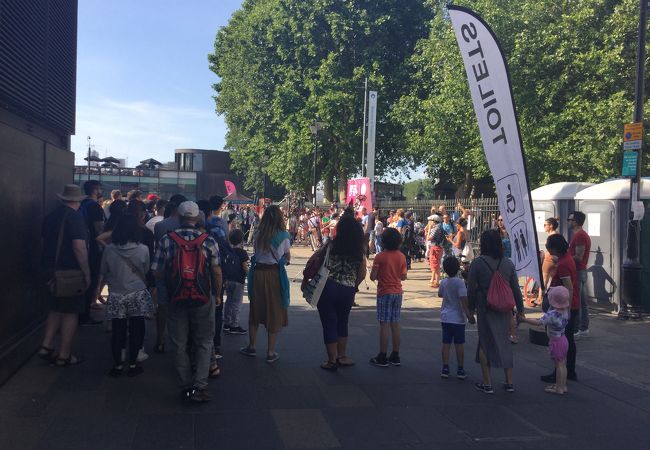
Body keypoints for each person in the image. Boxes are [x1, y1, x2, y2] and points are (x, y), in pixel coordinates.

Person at [151, 201, 222, 403]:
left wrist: (173, 278)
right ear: (197, 218)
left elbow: (156, 270)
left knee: (179, 343)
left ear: (179, 217)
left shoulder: (167, 239)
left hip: (176, 298)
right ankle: (200, 386)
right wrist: (217, 294)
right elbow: (216, 271)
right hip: (202, 297)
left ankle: (185, 385)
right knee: (204, 341)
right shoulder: (208, 240)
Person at [467, 229, 525, 394]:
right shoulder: (508, 263)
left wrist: (470, 310)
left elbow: (471, 288)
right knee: (504, 341)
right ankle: (509, 381)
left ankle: (487, 383)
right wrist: (520, 310)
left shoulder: (478, 263)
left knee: (485, 343)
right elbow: (515, 289)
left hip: (485, 306)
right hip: (505, 308)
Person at [38, 185, 90, 366]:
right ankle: (64, 355)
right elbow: (79, 247)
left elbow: (43, 242)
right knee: (70, 312)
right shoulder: (75, 218)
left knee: (55, 308)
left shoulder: (51, 216)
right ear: (78, 201)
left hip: (49, 269)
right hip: (69, 273)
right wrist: (86, 272)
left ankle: (46, 346)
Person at [96, 214, 152, 377]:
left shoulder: (109, 249)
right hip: (137, 293)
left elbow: (103, 271)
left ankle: (118, 365)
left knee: (118, 330)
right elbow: (146, 270)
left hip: (116, 294)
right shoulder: (143, 249)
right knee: (137, 329)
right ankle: (133, 364)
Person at [308, 214, 366, 371]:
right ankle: (342, 356)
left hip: (327, 287)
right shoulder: (359, 251)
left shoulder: (330, 246)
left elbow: (313, 260)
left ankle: (331, 360)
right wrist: (353, 285)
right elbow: (362, 274)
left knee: (329, 324)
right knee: (343, 322)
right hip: (347, 290)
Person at [240, 205, 290, 363]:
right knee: (274, 309)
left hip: (257, 274)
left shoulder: (258, 234)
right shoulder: (283, 235)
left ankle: (252, 346)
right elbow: (286, 257)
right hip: (274, 275)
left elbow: (256, 252)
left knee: (255, 309)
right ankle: (270, 352)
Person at [541, 234, 580, 383]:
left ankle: (562, 371)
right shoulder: (567, 259)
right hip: (568, 304)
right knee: (568, 339)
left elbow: (568, 288)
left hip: (566, 306)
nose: (548, 250)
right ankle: (567, 370)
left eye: (549, 247)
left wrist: (566, 310)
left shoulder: (563, 264)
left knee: (563, 340)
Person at [520, 286, 570, 395]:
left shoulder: (551, 315)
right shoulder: (566, 311)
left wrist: (524, 320)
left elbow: (539, 322)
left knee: (559, 365)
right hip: (563, 339)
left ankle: (559, 388)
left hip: (556, 342)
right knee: (563, 364)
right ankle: (562, 385)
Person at [369, 228, 406, 367]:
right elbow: (403, 276)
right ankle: (395, 355)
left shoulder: (380, 256)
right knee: (395, 324)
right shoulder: (401, 256)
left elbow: (373, 276)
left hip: (384, 292)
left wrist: (379, 275)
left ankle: (382, 355)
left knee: (384, 324)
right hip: (397, 291)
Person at [438, 257, 474, 379]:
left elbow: (440, 294)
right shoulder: (460, 282)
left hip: (446, 317)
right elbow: (464, 301)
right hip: (458, 319)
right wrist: (470, 316)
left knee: (446, 343)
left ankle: (445, 367)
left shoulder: (443, 282)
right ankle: (460, 368)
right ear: (457, 268)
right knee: (459, 344)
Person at [79, 180, 105, 325]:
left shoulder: (82, 204)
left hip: (83, 245)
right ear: (95, 190)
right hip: (94, 249)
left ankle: (81, 312)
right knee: (92, 280)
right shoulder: (95, 207)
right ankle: (85, 315)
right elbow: (99, 230)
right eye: (100, 188)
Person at [568, 211, 591, 338]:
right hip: (580, 271)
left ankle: (577, 329)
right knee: (582, 301)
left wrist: (564, 258)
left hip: (578, 271)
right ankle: (583, 328)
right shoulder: (579, 235)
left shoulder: (580, 236)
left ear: (575, 221)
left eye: (569, 219)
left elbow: (579, 257)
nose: (568, 221)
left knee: (577, 301)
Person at [223, 229, 249, 335]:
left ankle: (227, 322)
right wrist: (249, 276)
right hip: (239, 280)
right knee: (237, 303)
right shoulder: (242, 253)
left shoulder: (228, 250)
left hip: (228, 279)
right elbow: (245, 266)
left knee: (229, 301)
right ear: (241, 240)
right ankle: (235, 324)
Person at [427, 215, 445, 288]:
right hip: (438, 247)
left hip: (435, 247)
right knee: (436, 263)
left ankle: (436, 282)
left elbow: (429, 238)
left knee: (435, 264)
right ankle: (435, 281)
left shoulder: (436, 228)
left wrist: (429, 229)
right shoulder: (439, 226)